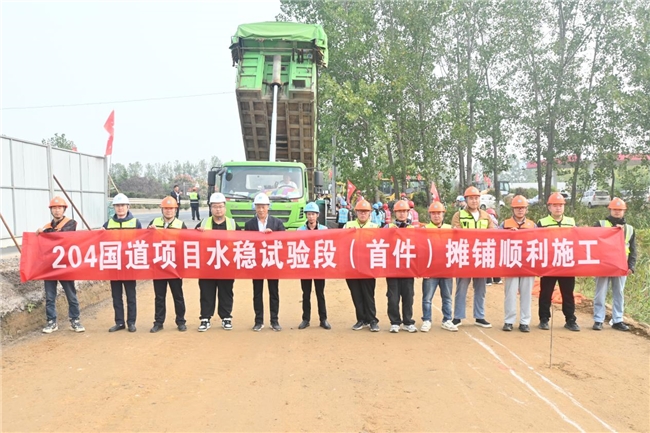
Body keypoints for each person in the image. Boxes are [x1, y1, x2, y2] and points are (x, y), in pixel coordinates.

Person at [37, 196, 85, 334]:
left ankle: (75, 320)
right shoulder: (46, 226)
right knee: (50, 296)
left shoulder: (71, 223)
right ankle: (51, 322)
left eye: (59, 208)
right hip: (50, 267)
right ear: (51, 210)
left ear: (64, 209)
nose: (57, 210)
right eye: (54, 208)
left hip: (65, 266)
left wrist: (44, 232)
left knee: (71, 294)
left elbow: (61, 235)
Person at [451, 186, 495, 328]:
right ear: (466, 200)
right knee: (461, 287)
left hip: (481, 256)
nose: (474, 201)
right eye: (471, 198)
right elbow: (455, 233)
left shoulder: (486, 215)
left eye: (476, 198)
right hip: (464, 255)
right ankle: (458, 316)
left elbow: (493, 234)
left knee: (481, 288)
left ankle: (479, 316)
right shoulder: (458, 215)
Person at [536, 192, 579, 331]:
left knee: (568, 293)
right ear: (549, 207)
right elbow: (536, 242)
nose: (558, 208)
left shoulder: (571, 222)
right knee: (546, 292)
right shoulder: (542, 223)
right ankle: (543, 319)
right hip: (549, 264)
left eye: (560, 205)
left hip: (566, 263)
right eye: (555, 205)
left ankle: (570, 319)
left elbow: (578, 241)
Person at [196, 193, 239, 331]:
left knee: (226, 291)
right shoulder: (203, 223)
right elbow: (190, 240)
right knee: (206, 291)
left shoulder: (232, 224)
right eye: (215, 207)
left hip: (226, 264)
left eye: (220, 206)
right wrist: (198, 233)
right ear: (210, 208)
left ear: (225, 208)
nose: (218, 209)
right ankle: (205, 318)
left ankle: (226, 317)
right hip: (207, 264)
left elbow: (242, 241)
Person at [592, 198, 636, 331]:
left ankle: (617, 320)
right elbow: (592, 243)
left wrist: (631, 266)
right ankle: (598, 320)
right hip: (603, 265)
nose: (617, 212)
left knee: (619, 293)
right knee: (600, 293)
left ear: (624, 211)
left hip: (621, 266)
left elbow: (633, 249)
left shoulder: (629, 229)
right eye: (615, 209)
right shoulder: (600, 224)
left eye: (620, 210)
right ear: (610, 209)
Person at [244, 193, 286, 331]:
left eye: (263, 207)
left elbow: (284, 242)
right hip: (257, 263)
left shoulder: (277, 223)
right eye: (258, 207)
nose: (261, 210)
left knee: (274, 292)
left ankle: (274, 321)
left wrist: (272, 235)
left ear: (268, 207)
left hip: (272, 262)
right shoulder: (249, 224)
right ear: (254, 208)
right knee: (257, 292)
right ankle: (258, 321)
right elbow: (246, 243)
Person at [147, 196, 188, 333]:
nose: (169, 211)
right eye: (166, 208)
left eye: (171, 208)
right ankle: (158, 322)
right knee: (159, 296)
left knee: (178, 295)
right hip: (158, 266)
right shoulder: (154, 223)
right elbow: (146, 241)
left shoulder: (181, 225)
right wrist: (149, 231)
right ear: (162, 209)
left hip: (174, 266)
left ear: (175, 210)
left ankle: (181, 321)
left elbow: (187, 244)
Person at [103, 193, 142, 332]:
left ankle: (131, 322)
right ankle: (119, 322)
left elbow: (142, 241)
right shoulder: (108, 224)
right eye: (117, 206)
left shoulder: (135, 223)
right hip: (114, 264)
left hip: (129, 264)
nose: (120, 208)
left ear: (128, 207)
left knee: (130, 295)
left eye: (122, 205)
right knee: (116, 295)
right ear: (114, 207)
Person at [499, 195, 536, 332]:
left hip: (527, 263)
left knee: (526, 293)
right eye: (517, 208)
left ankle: (525, 322)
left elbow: (539, 242)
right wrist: (508, 234)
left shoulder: (532, 225)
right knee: (510, 292)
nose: (520, 210)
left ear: (526, 209)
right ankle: (509, 321)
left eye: (523, 208)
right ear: (512, 209)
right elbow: (495, 240)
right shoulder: (505, 224)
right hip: (511, 262)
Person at [344, 199, 380, 332]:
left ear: (370, 213)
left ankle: (372, 320)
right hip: (351, 266)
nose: (363, 214)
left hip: (368, 267)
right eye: (360, 211)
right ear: (356, 212)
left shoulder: (375, 227)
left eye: (365, 211)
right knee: (356, 294)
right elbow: (341, 243)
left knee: (368, 294)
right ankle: (361, 319)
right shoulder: (348, 225)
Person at [421, 201, 458, 332]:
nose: (436, 216)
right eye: (434, 213)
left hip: (446, 269)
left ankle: (447, 320)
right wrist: (423, 269)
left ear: (443, 214)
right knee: (427, 298)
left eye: (439, 213)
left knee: (447, 297)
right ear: (430, 215)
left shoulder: (450, 229)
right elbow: (421, 251)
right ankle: (426, 320)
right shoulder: (424, 230)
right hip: (430, 270)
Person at [297, 202, 331, 330]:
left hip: (319, 266)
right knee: (306, 293)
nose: (311, 217)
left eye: (313, 214)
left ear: (317, 215)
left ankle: (323, 319)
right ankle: (306, 319)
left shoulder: (324, 230)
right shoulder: (299, 231)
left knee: (320, 293)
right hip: (305, 265)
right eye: (309, 214)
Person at [385, 200, 417, 333]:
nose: (402, 214)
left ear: (408, 212)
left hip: (408, 268)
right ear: (395, 213)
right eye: (399, 211)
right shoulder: (388, 228)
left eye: (404, 211)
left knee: (408, 296)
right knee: (393, 297)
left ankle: (408, 321)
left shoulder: (414, 229)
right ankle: (395, 322)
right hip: (392, 268)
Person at [485, 208, 502, 285]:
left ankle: (488, 280)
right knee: (495, 261)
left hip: (488, 242)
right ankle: (497, 279)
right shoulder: (496, 222)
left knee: (488, 261)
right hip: (496, 242)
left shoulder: (487, 220)